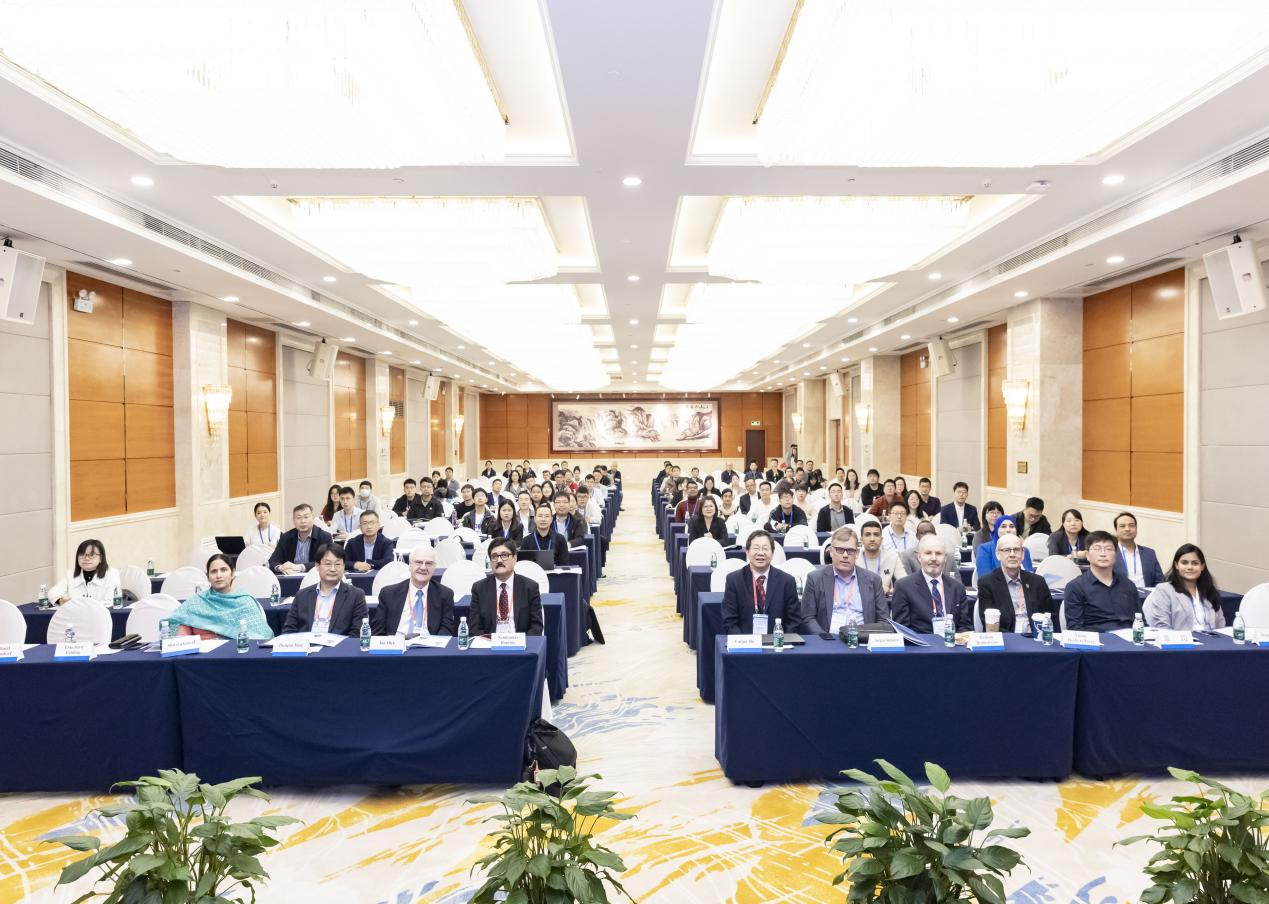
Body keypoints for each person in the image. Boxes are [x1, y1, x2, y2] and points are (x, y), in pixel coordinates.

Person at [800, 525, 888, 633]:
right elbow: (808, 618)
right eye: (840, 550)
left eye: (850, 551)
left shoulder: (873, 580)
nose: (845, 555)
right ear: (831, 552)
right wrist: (824, 638)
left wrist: (867, 637)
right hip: (828, 638)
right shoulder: (815, 579)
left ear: (857, 553)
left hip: (862, 638)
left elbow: (883, 620)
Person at [170, 553, 273, 641]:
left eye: (223, 570)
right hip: (200, 655)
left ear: (232, 573)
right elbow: (178, 624)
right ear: (208, 577)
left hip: (235, 653)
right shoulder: (196, 602)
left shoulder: (245, 601)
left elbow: (261, 635)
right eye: (213, 571)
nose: (218, 575)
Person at [721, 531, 802, 634]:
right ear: (747, 552)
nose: (760, 553)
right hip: (745, 642)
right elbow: (729, 621)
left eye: (765, 548)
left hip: (777, 641)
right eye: (756, 548)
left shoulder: (787, 581)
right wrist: (744, 641)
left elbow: (794, 621)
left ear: (772, 553)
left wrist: (781, 641)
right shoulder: (734, 580)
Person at [890, 535, 973, 634]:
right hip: (920, 643)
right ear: (919, 557)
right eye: (928, 553)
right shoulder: (904, 587)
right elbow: (902, 630)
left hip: (952, 642)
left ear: (945, 558)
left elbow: (965, 626)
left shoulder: (957, 588)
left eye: (938, 553)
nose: (933, 558)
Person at [1063, 531, 1142, 632]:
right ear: (1087, 555)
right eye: (1097, 549)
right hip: (1096, 638)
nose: (1103, 554)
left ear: (1116, 555)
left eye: (1108, 549)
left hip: (1129, 637)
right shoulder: (1075, 587)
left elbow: (1140, 621)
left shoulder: (1128, 585)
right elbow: (1075, 628)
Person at [976, 534, 1055, 633]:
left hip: (1035, 636)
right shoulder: (987, 583)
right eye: (1007, 550)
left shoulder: (1038, 582)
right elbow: (989, 621)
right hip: (1005, 638)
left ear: (1023, 554)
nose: (1012, 554)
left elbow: (1050, 616)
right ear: (998, 554)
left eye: (1017, 550)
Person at [371, 544, 455, 637]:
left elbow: (446, 630)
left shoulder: (445, 595)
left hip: (430, 644)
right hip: (397, 642)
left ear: (435, 567)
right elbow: (377, 632)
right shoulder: (388, 594)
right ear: (410, 565)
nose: (423, 567)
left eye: (429, 563)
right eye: (418, 562)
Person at [285, 543, 369, 636]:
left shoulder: (356, 595)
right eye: (328, 564)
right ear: (317, 566)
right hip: (306, 643)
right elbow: (289, 630)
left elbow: (357, 633)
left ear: (344, 566)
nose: (333, 569)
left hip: (338, 644)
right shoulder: (302, 595)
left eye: (337, 564)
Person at [468, 538, 544, 636]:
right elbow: (474, 628)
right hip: (490, 643)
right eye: (494, 556)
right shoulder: (479, 588)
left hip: (520, 643)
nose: (499, 560)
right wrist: (490, 642)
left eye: (504, 555)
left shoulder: (530, 587)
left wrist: (522, 642)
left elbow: (536, 627)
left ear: (514, 558)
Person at [1143, 544, 1226, 631]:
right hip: (1180, 639)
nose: (1190, 567)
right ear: (1176, 565)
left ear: (1202, 566)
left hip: (1211, 638)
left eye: (1195, 563)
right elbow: (1162, 627)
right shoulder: (1165, 590)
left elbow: (1221, 625)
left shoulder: (1209, 589)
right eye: (1184, 563)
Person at [50, 538, 122, 605]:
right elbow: (52, 593)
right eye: (82, 554)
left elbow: (110, 601)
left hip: (102, 613)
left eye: (92, 555)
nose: (86, 558)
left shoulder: (112, 574)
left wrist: (80, 606)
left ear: (101, 558)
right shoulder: (70, 574)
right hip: (76, 613)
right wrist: (60, 601)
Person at [269, 504, 333, 575]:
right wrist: (281, 568)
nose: (302, 521)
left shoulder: (324, 537)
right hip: (291, 577)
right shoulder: (286, 537)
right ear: (293, 520)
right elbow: (273, 561)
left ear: (313, 518)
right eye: (298, 518)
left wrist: (299, 567)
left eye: (306, 517)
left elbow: (326, 561)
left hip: (315, 576)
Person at [1112, 511, 1166, 588]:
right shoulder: (1110, 553)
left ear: (1136, 529)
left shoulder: (1149, 553)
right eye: (1122, 526)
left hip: (1147, 595)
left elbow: (1160, 581)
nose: (1127, 529)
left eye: (1131, 525)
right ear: (1116, 530)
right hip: (1120, 595)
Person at [857, 517, 906, 595]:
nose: (872, 539)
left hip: (884, 599)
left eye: (876, 535)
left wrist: (893, 591)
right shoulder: (854, 559)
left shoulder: (892, 557)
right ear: (861, 540)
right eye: (868, 535)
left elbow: (905, 582)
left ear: (881, 539)